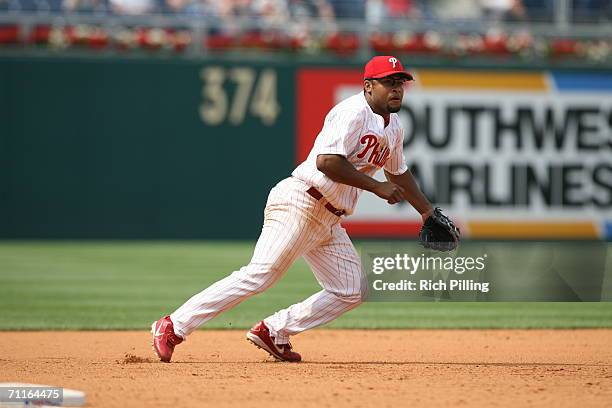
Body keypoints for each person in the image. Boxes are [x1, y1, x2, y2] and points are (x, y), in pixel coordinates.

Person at [151, 55, 435, 363]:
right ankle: (173, 325)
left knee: (352, 289)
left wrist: (426, 212)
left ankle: (274, 331)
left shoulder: (393, 127)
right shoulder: (353, 112)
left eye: (400, 83)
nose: (397, 89)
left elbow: (398, 172)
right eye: (389, 82)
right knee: (260, 274)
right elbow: (327, 162)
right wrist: (376, 187)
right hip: (301, 201)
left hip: (330, 219)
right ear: (368, 86)